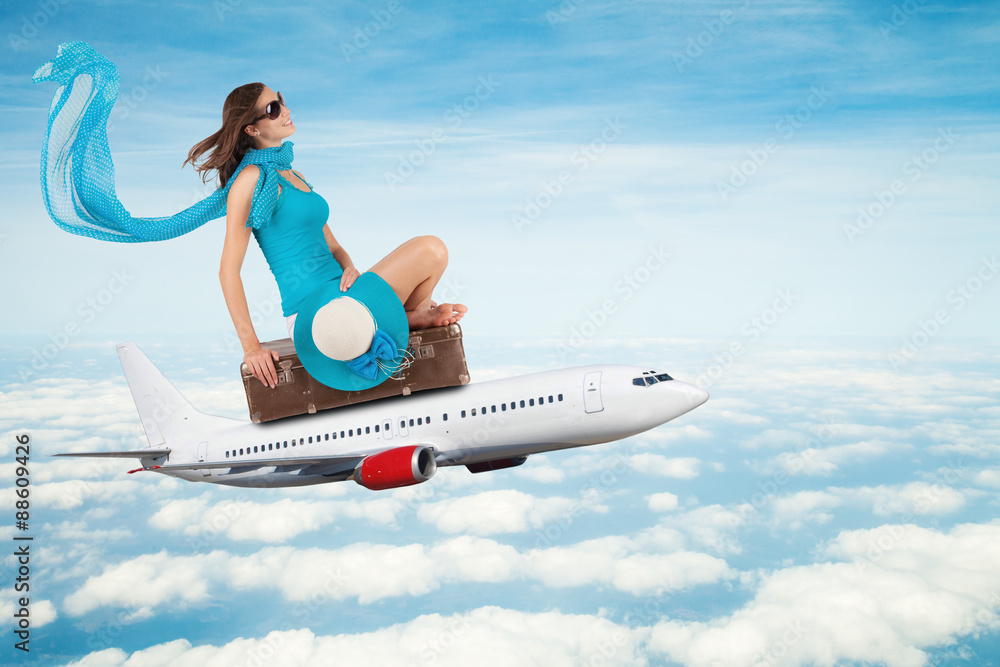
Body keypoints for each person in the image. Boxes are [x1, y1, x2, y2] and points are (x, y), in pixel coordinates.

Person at [184, 84, 468, 390]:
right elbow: (228, 271)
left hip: (344, 290)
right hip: (315, 315)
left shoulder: (293, 174)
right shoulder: (250, 180)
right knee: (430, 248)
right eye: (273, 109)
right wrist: (250, 346)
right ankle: (409, 316)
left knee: (434, 253)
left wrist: (350, 268)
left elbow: (333, 246)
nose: (285, 109)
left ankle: (409, 316)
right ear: (252, 129)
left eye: (280, 100)